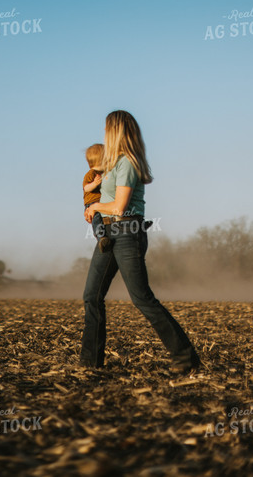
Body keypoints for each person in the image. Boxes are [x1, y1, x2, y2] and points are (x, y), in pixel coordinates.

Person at [81, 110, 200, 375]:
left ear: (116, 132)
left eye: (105, 129)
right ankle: (90, 363)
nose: (102, 133)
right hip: (109, 234)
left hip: (126, 233)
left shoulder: (127, 163)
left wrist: (96, 206)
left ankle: (185, 356)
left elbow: (121, 206)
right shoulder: (112, 164)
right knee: (92, 296)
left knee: (141, 297)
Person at [83, 143, 111, 252]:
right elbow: (86, 188)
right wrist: (94, 184)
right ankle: (101, 237)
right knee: (97, 219)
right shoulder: (91, 173)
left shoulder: (105, 172)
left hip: (101, 202)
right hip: (92, 203)